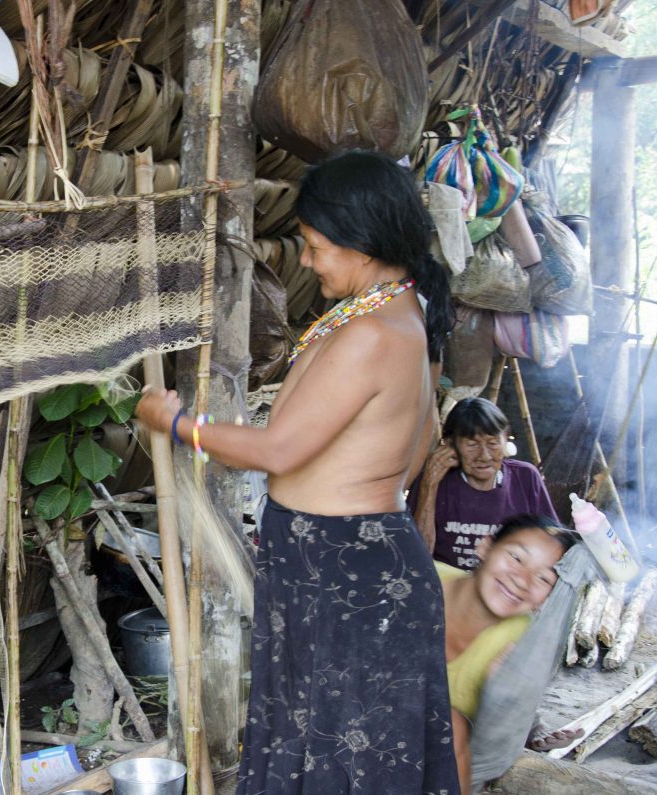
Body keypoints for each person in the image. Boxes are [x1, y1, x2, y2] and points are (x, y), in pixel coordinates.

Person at [137, 151, 460, 794]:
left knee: (346, 757)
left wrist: (174, 424)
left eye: (314, 246)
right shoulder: (394, 312)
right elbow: (415, 442)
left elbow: (279, 452)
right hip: (337, 560)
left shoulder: (375, 333)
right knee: (328, 749)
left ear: (362, 245)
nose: (306, 261)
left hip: (348, 570)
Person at [438, 514, 582, 792]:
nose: (522, 580)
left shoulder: (522, 646)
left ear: (547, 599)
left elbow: (488, 751)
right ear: (485, 547)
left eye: (543, 578)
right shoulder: (414, 583)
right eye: (516, 558)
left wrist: (519, 716)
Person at [410, 397, 557, 570]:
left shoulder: (525, 478)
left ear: (505, 440)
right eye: (472, 444)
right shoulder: (431, 480)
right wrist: (429, 485)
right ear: (450, 444)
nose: (485, 456)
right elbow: (416, 559)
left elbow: (552, 545)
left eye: (493, 443)